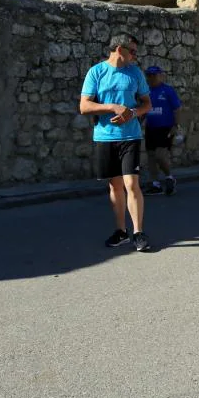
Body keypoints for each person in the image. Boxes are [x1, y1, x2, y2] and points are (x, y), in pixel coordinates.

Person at [79, 34, 153, 252]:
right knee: (115, 186)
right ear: (120, 49)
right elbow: (84, 106)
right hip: (105, 136)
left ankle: (138, 233)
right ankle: (121, 231)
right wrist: (112, 107)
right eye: (133, 51)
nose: (135, 56)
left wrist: (132, 113)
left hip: (130, 136)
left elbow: (147, 104)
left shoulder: (135, 73)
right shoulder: (96, 72)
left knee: (132, 184)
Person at [142, 66, 182, 196]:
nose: (151, 78)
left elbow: (177, 109)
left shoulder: (168, 90)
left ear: (160, 75)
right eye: (149, 75)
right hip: (150, 128)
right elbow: (143, 109)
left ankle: (169, 177)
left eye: (154, 75)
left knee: (160, 155)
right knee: (151, 156)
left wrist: (176, 125)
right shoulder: (145, 91)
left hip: (165, 128)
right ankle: (155, 184)